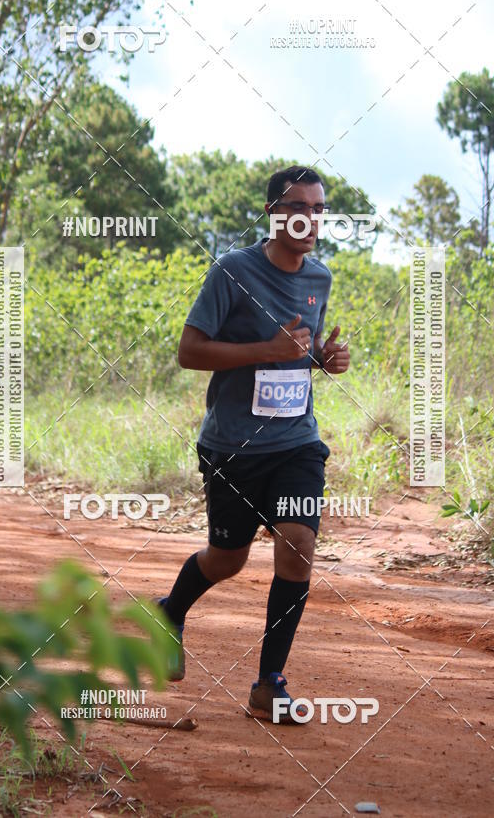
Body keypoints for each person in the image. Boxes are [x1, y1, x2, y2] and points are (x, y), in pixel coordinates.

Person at [158, 165, 350, 723]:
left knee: (297, 544)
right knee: (228, 559)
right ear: (272, 213)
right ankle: (170, 611)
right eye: (298, 208)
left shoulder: (320, 278)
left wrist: (323, 359)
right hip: (234, 446)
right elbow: (189, 352)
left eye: (318, 210)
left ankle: (269, 684)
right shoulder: (233, 271)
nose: (310, 219)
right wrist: (266, 350)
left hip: (296, 442)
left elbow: (301, 350)